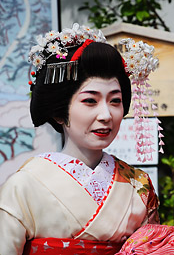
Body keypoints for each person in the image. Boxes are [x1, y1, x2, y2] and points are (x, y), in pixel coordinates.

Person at [0, 24, 161, 254]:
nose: (106, 115)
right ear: (59, 112)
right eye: (90, 101)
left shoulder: (139, 185)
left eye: (115, 100)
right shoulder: (24, 186)